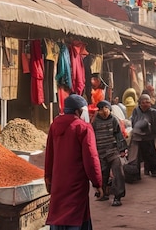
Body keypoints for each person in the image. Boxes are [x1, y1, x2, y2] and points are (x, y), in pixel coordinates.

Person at [44, 94, 103, 230]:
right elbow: (91, 158)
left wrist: (48, 178)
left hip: (58, 183)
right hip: (76, 184)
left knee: (59, 216)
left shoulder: (54, 126)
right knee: (76, 217)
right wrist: (97, 183)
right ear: (78, 111)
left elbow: (49, 155)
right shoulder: (83, 128)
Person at [91, 100, 128, 207]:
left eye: (106, 108)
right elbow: (92, 137)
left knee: (118, 173)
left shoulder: (114, 120)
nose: (104, 111)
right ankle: (102, 193)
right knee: (103, 174)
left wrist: (122, 149)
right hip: (100, 152)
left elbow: (119, 135)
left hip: (113, 151)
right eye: (101, 109)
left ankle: (118, 196)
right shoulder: (95, 122)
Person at [129, 93, 156, 178]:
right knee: (136, 156)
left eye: (147, 102)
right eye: (143, 102)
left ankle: (152, 169)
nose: (145, 104)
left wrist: (151, 133)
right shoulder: (136, 111)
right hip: (138, 136)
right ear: (140, 103)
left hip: (150, 136)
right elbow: (134, 122)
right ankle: (136, 173)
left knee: (150, 152)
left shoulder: (154, 112)